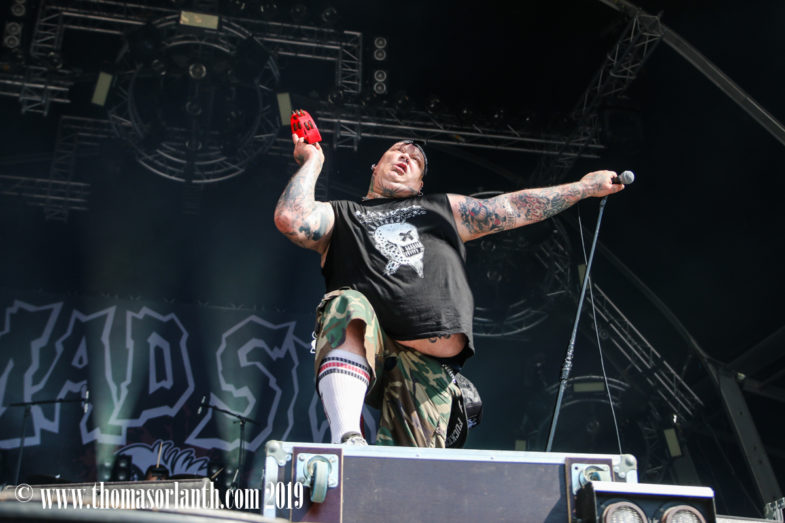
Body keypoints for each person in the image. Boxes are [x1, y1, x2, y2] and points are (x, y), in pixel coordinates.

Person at [274, 133, 625, 448]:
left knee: (414, 471)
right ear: (375, 166)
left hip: (430, 356)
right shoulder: (341, 215)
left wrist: (583, 187)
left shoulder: (439, 208)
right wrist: (313, 160)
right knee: (346, 303)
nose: (406, 156)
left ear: (419, 184)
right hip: (366, 340)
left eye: (415, 160)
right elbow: (291, 218)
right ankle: (347, 439)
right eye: (397, 151)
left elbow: (508, 208)